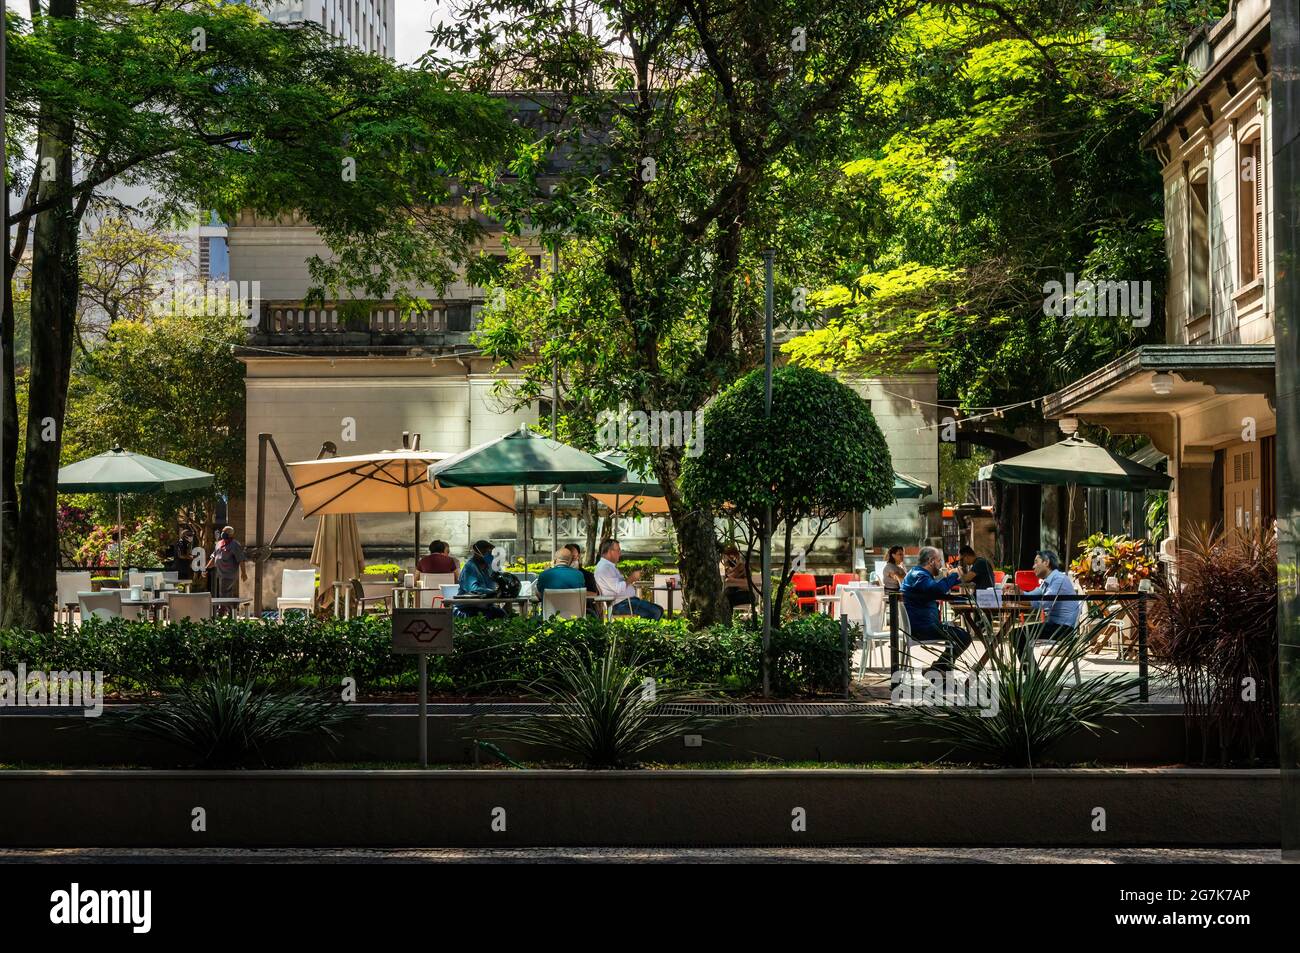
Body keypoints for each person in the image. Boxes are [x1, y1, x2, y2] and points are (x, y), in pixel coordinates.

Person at [899, 546, 971, 671]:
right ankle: (939, 669)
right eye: (939, 561)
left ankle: (940, 670)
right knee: (963, 636)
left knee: (958, 633)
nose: (940, 564)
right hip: (923, 628)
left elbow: (934, 590)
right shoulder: (919, 575)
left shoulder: (917, 574)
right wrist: (954, 576)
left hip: (922, 626)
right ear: (931, 561)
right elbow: (936, 589)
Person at [1004, 549, 1080, 651]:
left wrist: (1016, 599)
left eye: (1036, 562)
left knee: (1017, 634)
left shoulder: (1059, 579)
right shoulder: (1047, 581)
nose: (1033, 566)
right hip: (1054, 625)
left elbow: (1043, 603)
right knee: (1016, 633)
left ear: (1046, 562)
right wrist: (1019, 591)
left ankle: (1029, 667)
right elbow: (1031, 595)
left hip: (1063, 629)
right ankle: (1030, 667)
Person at [594, 539, 663, 620]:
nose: (620, 553)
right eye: (618, 550)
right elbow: (618, 588)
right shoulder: (605, 568)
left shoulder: (608, 566)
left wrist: (631, 580)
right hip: (621, 605)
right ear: (610, 551)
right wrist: (631, 578)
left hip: (627, 602)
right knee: (656, 611)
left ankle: (644, 630)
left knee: (659, 610)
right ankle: (642, 631)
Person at [454, 539, 506, 620]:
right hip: (467, 608)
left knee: (503, 614)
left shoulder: (490, 567)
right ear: (478, 553)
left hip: (485, 607)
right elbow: (473, 589)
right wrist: (493, 592)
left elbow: (500, 578)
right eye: (488, 553)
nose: (491, 556)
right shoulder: (470, 567)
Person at [206, 526, 247, 598]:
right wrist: (206, 568)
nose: (223, 533)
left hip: (228, 575)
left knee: (223, 593)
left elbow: (241, 559)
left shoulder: (235, 545)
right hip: (219, 574)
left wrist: (243, 573)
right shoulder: (218, 543)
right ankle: (228, 608)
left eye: (225, 532)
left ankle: (223, 608)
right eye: (222, 531)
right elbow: (214, 557)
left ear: (231, 534)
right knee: (225, 594)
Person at [720, 544, 755, 610]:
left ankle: (727, 618)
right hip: (734, 593)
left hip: (747, 595)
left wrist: (732, 578)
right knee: (725, 597)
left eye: (731, 556)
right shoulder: (727, 569)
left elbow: (729, 579)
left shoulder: (742, 567)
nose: (727, 559)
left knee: (726, 599)